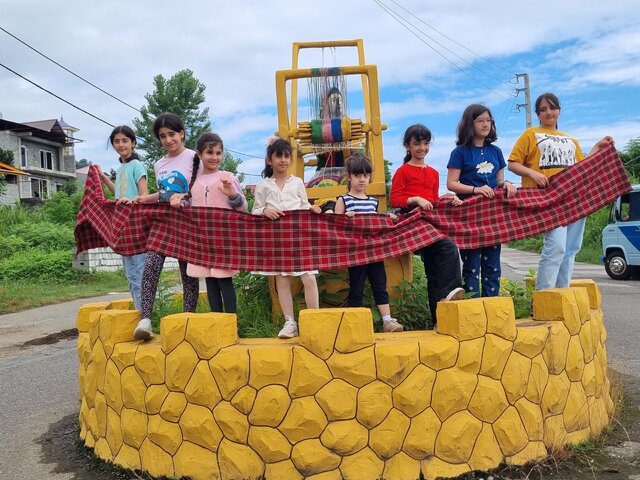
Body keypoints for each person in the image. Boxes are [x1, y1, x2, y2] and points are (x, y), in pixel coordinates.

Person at [508, 92, 614, 290]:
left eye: (552, 107)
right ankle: (544, 295)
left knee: (572, 247)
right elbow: (512, 163)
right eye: (543, 109)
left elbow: (580, 168)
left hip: (573, 198)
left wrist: (596, 148)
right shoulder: (530, 134)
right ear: (538, 114)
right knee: (556, 246)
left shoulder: (570, 140)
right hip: (548, 198)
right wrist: (534, 174)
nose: (548, 112)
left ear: (559, 110)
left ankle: (562, 293)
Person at [131, 113, 200, 339]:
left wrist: (184, 195)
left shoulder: (194, 157)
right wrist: (143, 199)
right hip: (163, 219)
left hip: (187, 221)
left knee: (187, 272)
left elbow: (201, 187)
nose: (168, 140)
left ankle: (188, 319)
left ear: (181, 133)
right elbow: (163, 193)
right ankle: (146, 319)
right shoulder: (158, 163)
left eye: (172, 134)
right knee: (151, 264)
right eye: (163, 136)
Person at [389, 124, 466, 327]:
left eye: (425, 143)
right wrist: (415, 199)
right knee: (448, 247)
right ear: (408, 146)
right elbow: (395, 200)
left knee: (434, 268)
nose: (422, 148)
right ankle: (451, 291)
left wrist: (448, 198)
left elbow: (432, 200)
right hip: (410, 221)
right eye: (417, 144)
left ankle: (439, 320)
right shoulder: (402, 171)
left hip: (428, 220)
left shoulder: (432, 173)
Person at [252, 137, 322, 338]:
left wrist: (313, 208)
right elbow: (255, 210)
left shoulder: (298, 182)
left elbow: (303, 204)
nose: (283, 160)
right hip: (276, 239)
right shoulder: (263, 185)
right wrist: (265, 210)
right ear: (269, 160)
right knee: (282, 279)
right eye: (278, 156)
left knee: (308, 276)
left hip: (298, 237)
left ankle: (314, 320)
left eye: (286, 156)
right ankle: (290, 322)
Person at [170, 132, 247, 313]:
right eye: (209, 152)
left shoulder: (228, 178)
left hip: (223, 240)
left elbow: (242, 208)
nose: (214, 157)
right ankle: (216, 319)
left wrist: (232, 195)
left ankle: (230, 322)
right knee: (210, 281)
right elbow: (191, 205)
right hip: (202, 240)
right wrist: (181, 203)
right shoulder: (195, 181)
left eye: (218, 153)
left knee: (224, 280)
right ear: (199, 154)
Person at [446, 104, 518, 297]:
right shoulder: (460, 152)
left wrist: (507, 184)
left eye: (488, 120)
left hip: (493, 215)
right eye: (480, 121)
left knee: (493, 265)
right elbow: (451, 183)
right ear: (470, 123)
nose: (486, 124)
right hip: (469, 215)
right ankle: (473, 307)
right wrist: (475, 190)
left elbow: (499, 181)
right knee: (471, 265)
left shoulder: (496, 151)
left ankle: (492, 305)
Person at [335, 153, 403, 332]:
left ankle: (387, 321)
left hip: (374, 251)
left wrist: (387, 218)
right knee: (356, 288)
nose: (362, 179)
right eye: (358, 175)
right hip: (355, 252)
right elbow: (334, 224)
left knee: (380, 285)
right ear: (349, 177)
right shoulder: (343, 200)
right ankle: (353, 324)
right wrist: (344, 218)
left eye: (365, 175)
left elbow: (377, 222)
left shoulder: (373, 201)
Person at [97, 125, 148, 311]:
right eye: (116, 141)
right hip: (122, 226)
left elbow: (144, 194)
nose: (121, 144)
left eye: (125, 140)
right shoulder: (121, 169)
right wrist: (103, 178)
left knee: (140, 272)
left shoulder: (137, 165)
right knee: (131, 274)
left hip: (136, 224)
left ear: (133, 143)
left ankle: (146, 315)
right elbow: (118, 193)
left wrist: (132, 202)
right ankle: (140, 313)